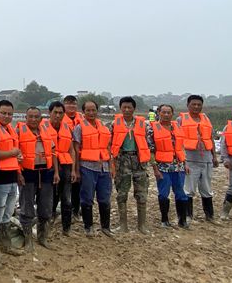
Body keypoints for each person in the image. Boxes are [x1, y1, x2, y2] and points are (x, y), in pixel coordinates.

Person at [16, 107, 58, 250]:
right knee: (26, 207)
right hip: (27, 173)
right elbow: (15, 155)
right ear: (25, 118)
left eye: (36, 117)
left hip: (46, 173)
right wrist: (18, 173)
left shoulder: (46, 131)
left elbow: (53, 153)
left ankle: (43, 238)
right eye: (30, 116)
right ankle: (28, 239)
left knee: (46, 207)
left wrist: (56, 172)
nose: (33, 119)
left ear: (41, 119)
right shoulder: (19, 132)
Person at [0, 100, 25, 259]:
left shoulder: (10, 129)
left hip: (11, 177)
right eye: (3, 113)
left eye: (10, 114)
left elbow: (14, 153)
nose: (7, 116)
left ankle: (5, 245)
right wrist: (13, 153)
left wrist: (18, 170)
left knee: (8, 213)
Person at [109, 96, 151, 235]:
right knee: (122, 193)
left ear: (134, 109)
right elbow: (109, 143)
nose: (127, 110)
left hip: (139, 161)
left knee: (142, 193)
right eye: (124, 107)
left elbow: (149, 143)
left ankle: (142, 225)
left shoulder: (144, 125)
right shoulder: (114, 124)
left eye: (129, 107)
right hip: (122, 161)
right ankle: (123, 225)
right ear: (120, 108)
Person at [72, 100, 114, 237]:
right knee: (87, 198)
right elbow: (76, 150)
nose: (91, 113)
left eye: (93, 110)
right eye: (88, 110)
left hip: (104, 168)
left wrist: (112, 166)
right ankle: (88, 227)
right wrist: (76, 170)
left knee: (105, 198)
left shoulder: (103, 127)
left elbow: (108, 147)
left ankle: (105, 227)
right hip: (87, 167)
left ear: (97, 110)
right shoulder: (79, 128)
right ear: (83, 112)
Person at [177, 95, 220, 224]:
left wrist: (214, 156)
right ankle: (188, 216)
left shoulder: (206, 119)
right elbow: (177, 140)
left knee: (207, 188)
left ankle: (210, 215)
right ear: (188, 105)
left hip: (206, 160)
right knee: (189, 189)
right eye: (193, 104)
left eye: (199, 105)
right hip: (189, 160)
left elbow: (210, 139)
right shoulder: (180, 120)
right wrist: (181, 160)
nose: (196, 107)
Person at [146, 104, 190, 229]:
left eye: (169, 112)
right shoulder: (152, 129)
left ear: (172, 114)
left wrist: (185, 163)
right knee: (163, 194)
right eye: (163, 112)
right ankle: (164, 220)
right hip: (163, 167)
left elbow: (181, 147)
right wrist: (155, 169)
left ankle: (182, 220)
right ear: (158, 113)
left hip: (179, 167)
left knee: (181, 193)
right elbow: (151, 151)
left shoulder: (177, 127)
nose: (166, 115)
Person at [44, 101, 77, 236]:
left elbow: (72, 150)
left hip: (65, 166)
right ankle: (47, 226)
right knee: (49, 198)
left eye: (60, 113)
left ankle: (66, 228)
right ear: (49, 113)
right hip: (49, 166)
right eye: (55, 112)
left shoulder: (68, 128)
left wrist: (73, 170)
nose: (58, 115)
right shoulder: (43, 128)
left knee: (67, 198)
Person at [62, 95, 84, 222]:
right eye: (68, 103)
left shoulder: (82, 119)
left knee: (77, 185)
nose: (71, 106)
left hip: (81, 156)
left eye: (74, 103)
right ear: (64, 105)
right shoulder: (60, 118)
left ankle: (76, 210)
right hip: (65, 157)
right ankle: (62, 211)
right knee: (64, 185)